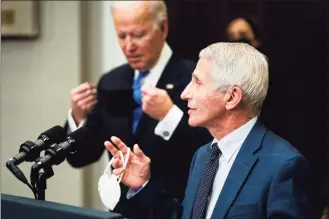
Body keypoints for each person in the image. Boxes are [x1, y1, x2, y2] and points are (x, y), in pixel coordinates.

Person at [105, 42, 312, 219]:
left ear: (231, 97)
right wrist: (141, 185)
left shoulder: (284, 166)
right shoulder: (204, 155)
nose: (185, 93)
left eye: (197, 82)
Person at [64, 0, 212, 217]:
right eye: (122, 36)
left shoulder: (195, 79)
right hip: (121, 212)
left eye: (138, 35)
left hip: (173, 211)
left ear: (163, 29)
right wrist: (77, 118)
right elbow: (81, 157)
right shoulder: (112, 81)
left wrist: (169, 116)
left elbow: (210, 153)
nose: (129, 46)